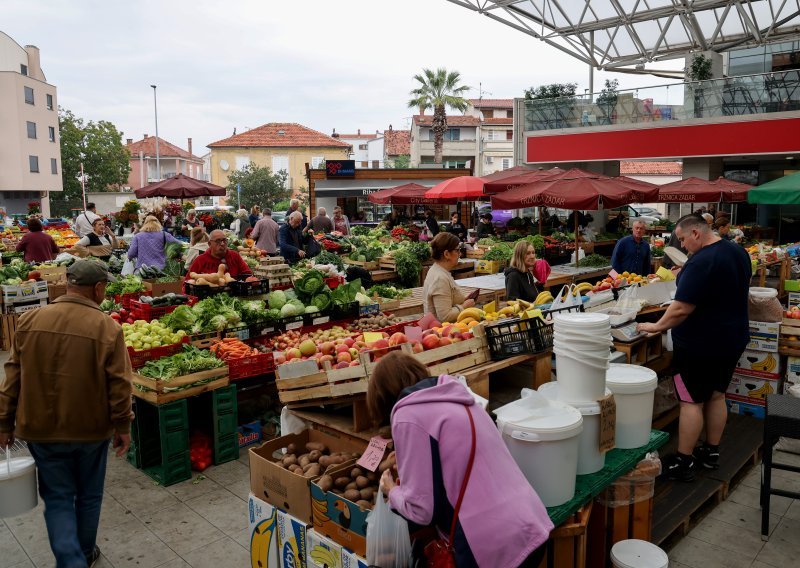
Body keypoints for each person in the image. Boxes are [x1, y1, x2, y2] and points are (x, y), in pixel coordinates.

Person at [0, 260, 132, 567]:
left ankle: (72, 558)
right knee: (88, 496)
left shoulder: (30, 320)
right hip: (90, 430)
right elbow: (119, 384)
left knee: (58, 498)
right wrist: (122, 425)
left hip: (41, 430)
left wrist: (4, 422)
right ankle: (81, 556)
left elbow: (12, 378)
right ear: (98, 289)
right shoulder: (108, 327)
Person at [367, 351, 552, 567]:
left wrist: (392, 490)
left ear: (382, 397)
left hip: (492, 547)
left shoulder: (407, 414)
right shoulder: (460, 398)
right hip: (530, 526)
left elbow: (422, 510)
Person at [637, 215, 751, 481]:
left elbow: (680, 309)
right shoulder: (737, 251)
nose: (682, 245)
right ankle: (711, 452)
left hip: (700, 344)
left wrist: (656, 327)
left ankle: (683, 461)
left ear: (697, 233)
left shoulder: (701, 261)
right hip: (732, 338)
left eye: (683, 239)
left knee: (690, 402)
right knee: (716, 395)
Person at [423, 232, 474, 323]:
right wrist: (464, 306)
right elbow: (445, 317)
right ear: (447, 254)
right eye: (457, 250)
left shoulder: (439, 270)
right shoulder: (440, 278)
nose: (460, 254)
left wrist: (462, 300)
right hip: (441, 333)